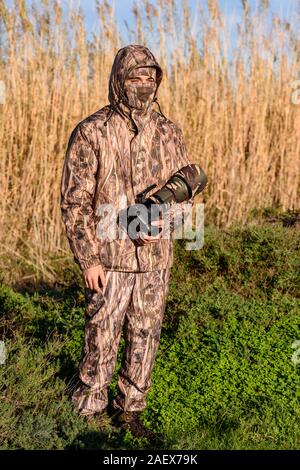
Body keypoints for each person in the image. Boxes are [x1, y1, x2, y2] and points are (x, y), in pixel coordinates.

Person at [60, 44, 207, 440]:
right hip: (108, 259)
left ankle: (129, 412)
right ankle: (88, 413)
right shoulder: (93, 131)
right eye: (134, 78)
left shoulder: (168, 131)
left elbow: (186, 193)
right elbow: (74, 203)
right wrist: (88, 258)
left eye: (149, 77)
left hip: (155, 261)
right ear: (117, 80)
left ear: (157, 80)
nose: (143, 85)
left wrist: (166, 222)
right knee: (101, 333)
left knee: (146, 334)